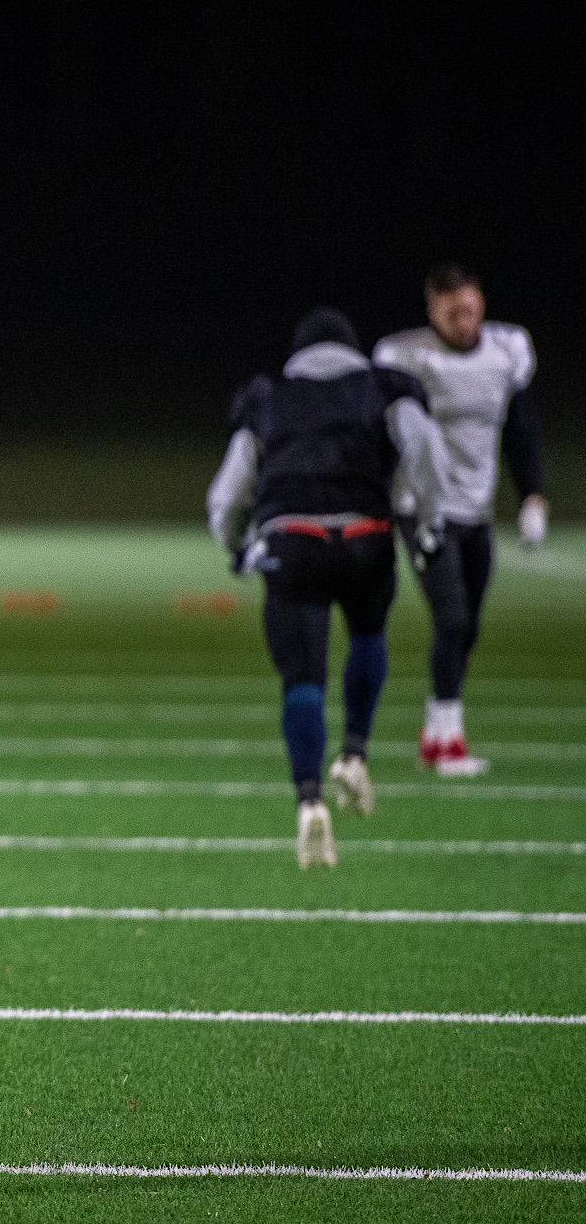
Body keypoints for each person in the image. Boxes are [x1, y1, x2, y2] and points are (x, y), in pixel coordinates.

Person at [208, 307, 445, 868]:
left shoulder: (267, 395)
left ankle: (309, 799)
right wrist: (429, 520)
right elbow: (424, 446)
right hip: (366, 537)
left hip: (292, 541)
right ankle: (355, 751)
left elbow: (228, 492)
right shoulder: (385, 385)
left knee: (302, 680)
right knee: (367, 633)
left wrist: (236, 546)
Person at [373, 264, 547, 776]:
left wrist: (533, 495)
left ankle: (437, 729)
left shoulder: (506, 352)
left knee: (466, 627)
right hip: (421, 506)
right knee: (452, 618)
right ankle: (445, 740)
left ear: (482, 305)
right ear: (432, 312)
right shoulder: (408, 357)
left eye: (469, 309)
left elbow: (520, 426)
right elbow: (382, 433)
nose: (463, 321)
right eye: (451, 313)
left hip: (477, 507)